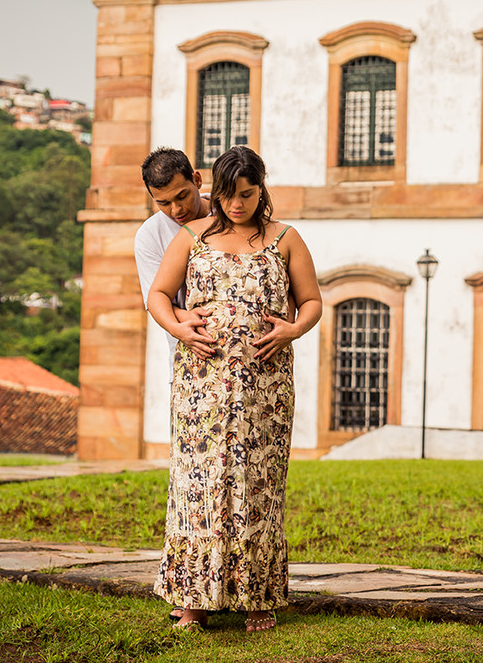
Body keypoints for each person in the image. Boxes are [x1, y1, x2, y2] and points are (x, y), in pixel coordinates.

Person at [147, 146, 322, 632]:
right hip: (201, 385)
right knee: (197, 486)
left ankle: (257, 596)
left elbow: (311, 302)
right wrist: (180, 328)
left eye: (247, 194)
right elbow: (158, 295)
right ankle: (193, 598)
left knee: (257, 484)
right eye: (228, 195)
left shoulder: (286, 239)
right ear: (216, 192)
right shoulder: (190, 237)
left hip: (265, 386)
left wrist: (292, 329)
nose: (238, 205)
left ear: (260, 189)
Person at [133, 148, 213, 358]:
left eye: (182, 196)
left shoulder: (233, 212)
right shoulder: (149, 236)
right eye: (164, 203)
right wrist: (182, 323)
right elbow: (155, 300)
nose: (176, 210)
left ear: (197, 179)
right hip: (189, 361)